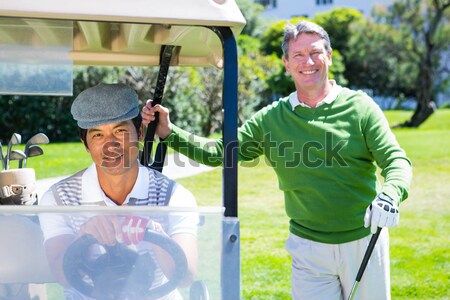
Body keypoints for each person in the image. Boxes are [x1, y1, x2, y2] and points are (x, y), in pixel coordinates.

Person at [141, 20, 412, 300]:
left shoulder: (360, 107)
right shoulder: (272, 118)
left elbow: (396, 161)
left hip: (363, 241)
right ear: (286, 63)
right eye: (298, 55)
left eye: (316, 52)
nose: (308, 61)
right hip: (308, 249)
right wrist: (169, 132)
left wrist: (390, 195)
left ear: (329, 56)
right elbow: (220, 152)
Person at [39, 83, 198, 300]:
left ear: (140, 133)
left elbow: (185, 276)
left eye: (120, 131)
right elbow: (62, 275)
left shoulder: (174, 196)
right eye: (97, 136)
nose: (110, 145)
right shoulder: (58, 199)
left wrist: (152, 231)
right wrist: (84, 235)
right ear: (85, 144)